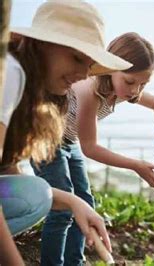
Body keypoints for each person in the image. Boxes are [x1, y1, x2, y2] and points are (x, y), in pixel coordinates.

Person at [0, 0, 132, 264]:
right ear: (41, 44)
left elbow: (9, 180)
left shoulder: (25, 89)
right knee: (34, 194)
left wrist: (75, 203)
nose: (84, 74)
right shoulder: (9, 74)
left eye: (90, 64)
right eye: (77, 58)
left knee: (34, 192)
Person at [32, 32, 154, 265]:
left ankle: (74, 261)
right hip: (47, 142)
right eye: (130, 82)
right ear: (109, 67)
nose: (136, 91)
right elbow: (91, 148)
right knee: (63, 207)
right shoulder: (91, 91)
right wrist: (135, 165)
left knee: (85, 204)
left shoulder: (126, 90)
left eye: (143, 84)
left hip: (69, 142)